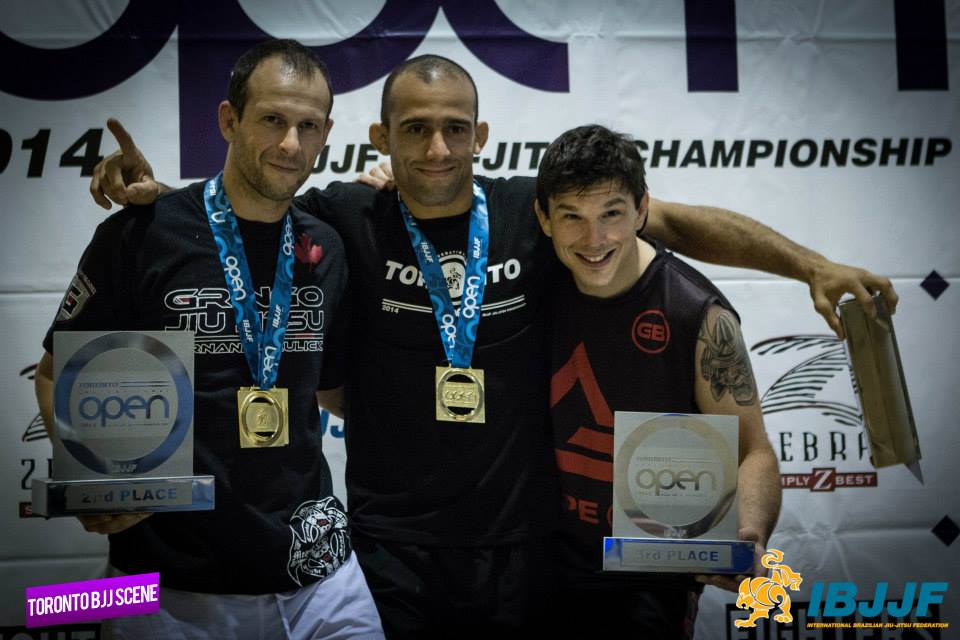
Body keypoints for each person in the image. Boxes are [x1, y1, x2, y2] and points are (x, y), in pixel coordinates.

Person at [88, 54, 896, 636]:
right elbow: (250, 202)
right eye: (415, 130)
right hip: (384, 553)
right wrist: (159, 204)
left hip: (524, 548)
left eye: (452, 130)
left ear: (481, 133)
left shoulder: (538, 215)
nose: (436, 149)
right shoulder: (344, 218)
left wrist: (811, 266)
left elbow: (674, 220)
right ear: (379, 137)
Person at [35, 40, 384, 639]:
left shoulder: (328, 247)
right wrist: (95, 477)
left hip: (316, 572)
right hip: (162, 582)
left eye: (308, 126)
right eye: (272, 119)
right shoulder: (141, 233)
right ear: (229, 120)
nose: (290, 145)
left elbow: (333, 391)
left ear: (327, 133)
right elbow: (52, 374)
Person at [535, 124, 780, 638]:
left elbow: (753, 451)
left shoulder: (698, 314)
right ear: (544, 219)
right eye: (572, 217)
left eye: (612, 214)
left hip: (648, 576)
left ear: (642, 211)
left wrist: (749, 536)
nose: (594, 238)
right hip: (534, 560)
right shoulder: (527, 279)